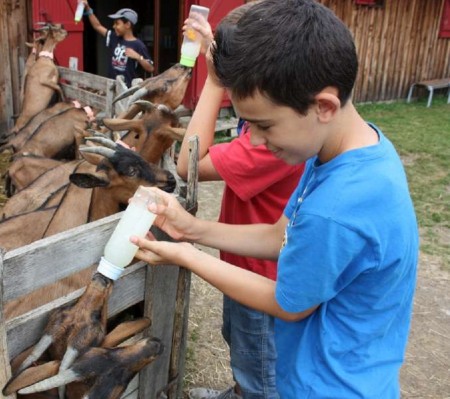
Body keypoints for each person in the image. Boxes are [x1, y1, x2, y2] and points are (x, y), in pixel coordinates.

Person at [131, 0, 419, 397]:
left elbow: (289, 305)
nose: (258, 142)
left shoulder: (337, 209)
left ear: (324, 106)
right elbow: (279, 236)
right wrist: (192, 228)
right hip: (344, 368)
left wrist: (187, 255)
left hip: (325, 386)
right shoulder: (345, 153)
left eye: (264, 126)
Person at [176, 4, 304, 399]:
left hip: (262, 276)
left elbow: (188, 164)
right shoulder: (278, 120)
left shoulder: (269, 145)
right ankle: (239, 391)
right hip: (246, 262)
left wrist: (214, 82)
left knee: (260, 368)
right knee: (239, 344)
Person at [80, 1, 154, 87]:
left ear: (127, 25)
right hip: (112, 87)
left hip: (127, 91)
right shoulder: (114, 37)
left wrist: (138, 57)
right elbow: (97, 26)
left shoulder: (138, 45)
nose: (114, 26)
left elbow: (151, 68)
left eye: (117, 23)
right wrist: (88, 9)